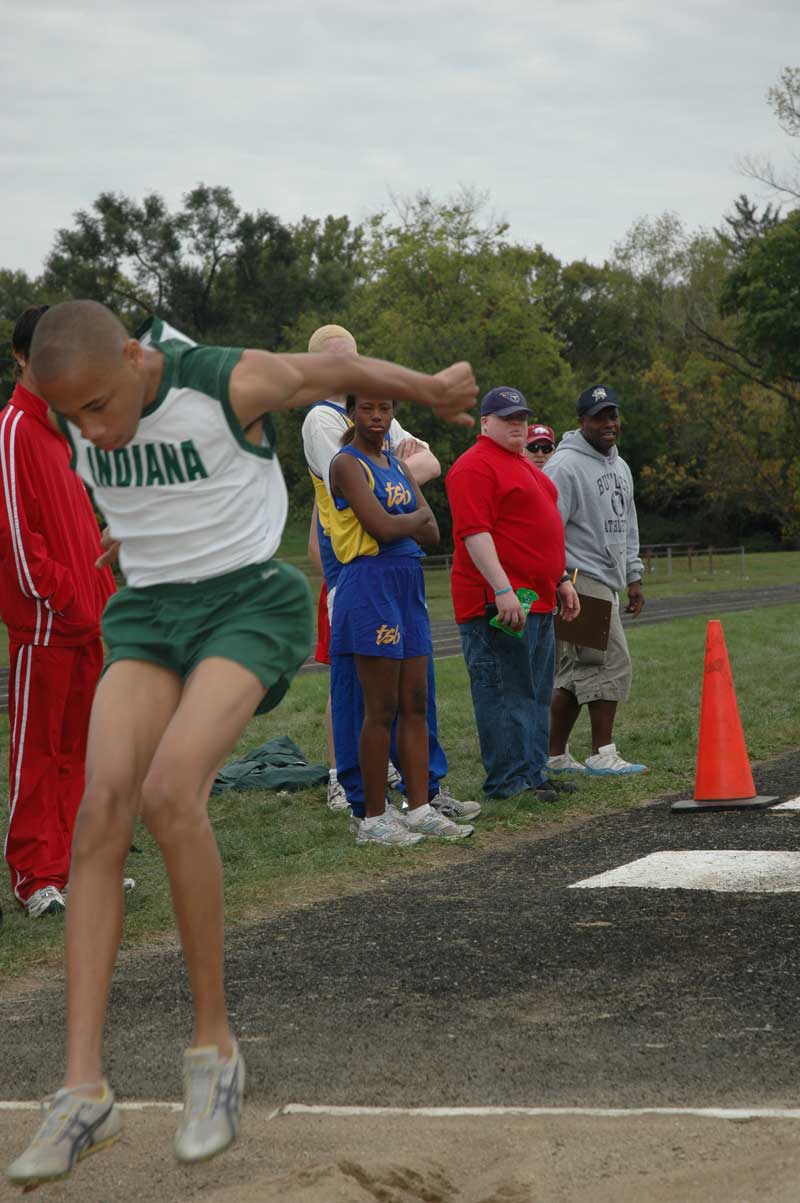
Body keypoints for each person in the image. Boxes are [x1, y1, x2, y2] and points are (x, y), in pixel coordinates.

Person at [6, 299, 477, 1190]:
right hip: (150, 614)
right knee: (102, 804)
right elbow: (141, 495)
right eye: (75, 420)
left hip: (248, 606)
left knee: (171, 790)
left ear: (138, 358)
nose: (94, 431)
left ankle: (214, 1050)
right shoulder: (85, 422)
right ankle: (80, 1091)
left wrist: (430, 388)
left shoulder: (225, 379)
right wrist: (121, 532)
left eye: (104, 407)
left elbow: (329, 373)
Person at [301, 325, 481, 828]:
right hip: (356, 567)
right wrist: (396, 476)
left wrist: (395, 475)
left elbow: (430, 467)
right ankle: (356, 792)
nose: (350, 369)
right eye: (337, 363)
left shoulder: (372, 409)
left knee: (414, 693)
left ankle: (425, 792)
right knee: (364, 692)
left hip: (402, 569)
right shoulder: (322, 418)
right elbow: (364, 488)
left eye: (354, 359)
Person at [0, 305, 116, 919]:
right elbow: (20, 542)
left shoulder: (62, 432)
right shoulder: (14, 429)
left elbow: (77, 529)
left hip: (88, 623)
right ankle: (34, 875)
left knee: (82, 753)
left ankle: (73, 867)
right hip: (45, 626)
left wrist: (102, 583)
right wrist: (65, 600)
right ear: (23, 358)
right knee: (38, 753)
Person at [329, 394, 473, 844]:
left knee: (415, 701)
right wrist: (411, 517)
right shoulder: (346, 464)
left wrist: (404, 519)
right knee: (381, 707)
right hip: (369, 585)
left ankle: (420, 808)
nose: (377, 418)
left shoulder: (398, 464)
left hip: (407, 583)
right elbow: (382, 527)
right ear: (351, 412)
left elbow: (433, 532)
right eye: (368, 408)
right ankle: (372, 818)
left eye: (386, 409)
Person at [445, 386, 580, 801]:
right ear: (486, 423)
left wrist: (559, 579)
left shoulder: (523, 466)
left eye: (521, 417)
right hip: (498, 600)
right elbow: (474, 532)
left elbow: (539, 531)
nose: (517, 425)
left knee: (536, 691)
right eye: (507, 418)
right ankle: (508, 782)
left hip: (536, 598)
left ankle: (533, 773)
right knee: (504, 691)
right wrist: (502, 588)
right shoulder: (475, 466)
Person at [543, 384, 647, 775]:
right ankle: (602, 752)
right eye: (600, 416)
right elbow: (549, 527)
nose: (609, 424)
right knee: (610, 662)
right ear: (581, 421)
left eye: (613, 415)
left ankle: (554, 755)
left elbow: (629, 524)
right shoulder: (564, 466)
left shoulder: (620, 466)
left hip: (608, 577)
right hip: (577, 575)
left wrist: (633, 575)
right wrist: (558, 578)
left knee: (574, 672)